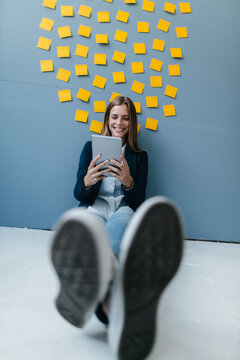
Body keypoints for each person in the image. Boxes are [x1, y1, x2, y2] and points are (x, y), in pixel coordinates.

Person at [51, 96, 184, 360]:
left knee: (118, 231)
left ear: (131, 122)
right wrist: (88, 181)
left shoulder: (139, 156)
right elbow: (79, 193)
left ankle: (103, 273)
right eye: (115, 117)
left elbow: (138, 200)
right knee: (88, 229)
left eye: (125, 118)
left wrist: (128, 181)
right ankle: (114, 308)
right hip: (95, 207)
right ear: (107, 119)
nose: (119, 123)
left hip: (122, 207)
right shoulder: (89, 148)